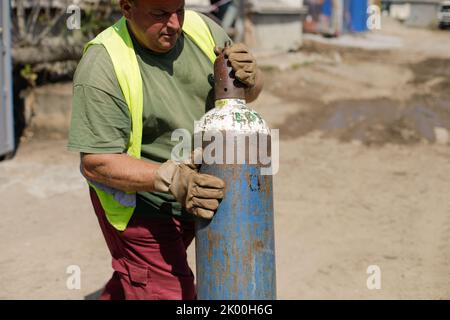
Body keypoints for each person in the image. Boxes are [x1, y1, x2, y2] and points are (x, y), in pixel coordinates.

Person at [68, 0, 264, 300]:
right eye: (160, 14)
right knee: (170, 293)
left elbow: (243, 97)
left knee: (141, 282)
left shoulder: (203, 30)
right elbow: (96, 162)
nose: (174, 24)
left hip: (196, 195)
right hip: (142, 209)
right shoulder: (103, 65)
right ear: (127, 7)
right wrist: (173, 178)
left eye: (179, 10)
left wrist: (253, 79)